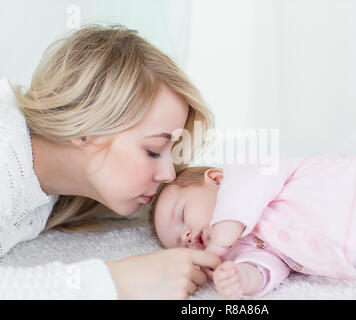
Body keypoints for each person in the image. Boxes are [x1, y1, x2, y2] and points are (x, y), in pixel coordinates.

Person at [0, 24, 221, 299]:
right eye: (153, 150)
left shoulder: (58, 189)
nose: (168, 174)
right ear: (84, 129)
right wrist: (117, 281)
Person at [151, 154, 356, 299]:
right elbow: (268, 266)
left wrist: (218, 244)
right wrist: (242, 277)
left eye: (182, 215)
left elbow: (244, 191)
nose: (187, 235)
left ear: (215, 179)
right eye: (179, 240)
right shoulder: (246, 245)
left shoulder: (248, 175)